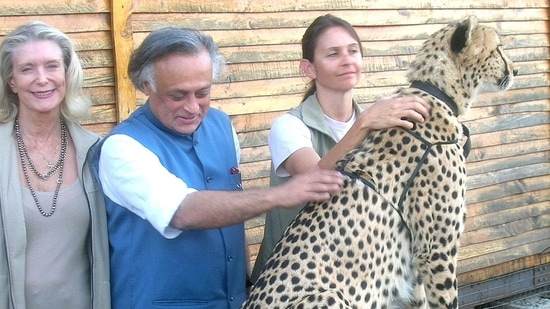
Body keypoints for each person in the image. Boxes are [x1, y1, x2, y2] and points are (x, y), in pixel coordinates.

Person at [92, 27, 343, 309]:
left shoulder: (223, 126)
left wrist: (245, 283)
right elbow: (183, 212)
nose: (192, 107)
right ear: (146, 86)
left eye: (203, 92)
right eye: (177, 95)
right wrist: (279, 195)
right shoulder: (122, 147)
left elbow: (233, 215)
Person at [251, 14, 432, 281]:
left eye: (353, 51)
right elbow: (315, 180)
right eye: (333, 54)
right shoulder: (288, 127)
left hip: (352, 279)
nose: (347, 60)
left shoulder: (379, 122)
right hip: (292, 280)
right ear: (309, 68)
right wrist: (364, 124)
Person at [0, 21, 111, 308]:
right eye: (27, 69)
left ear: (66, 73)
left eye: (52, 66)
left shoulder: (95, 152)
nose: (42, 79)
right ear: (11, 80)